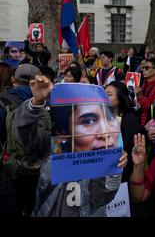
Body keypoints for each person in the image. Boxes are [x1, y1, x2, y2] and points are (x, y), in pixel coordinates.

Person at [13, 79, 127, 216]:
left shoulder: (101, 155)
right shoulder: (53, 145)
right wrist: (35, 103)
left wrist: (112, 168)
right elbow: (23, 136)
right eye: (88, 121)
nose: (100, 130)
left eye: (104, 120)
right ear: (65, 127)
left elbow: (101, 198)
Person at [0, 64, 40, 216]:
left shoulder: (2, 103)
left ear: (13, 80)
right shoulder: (46, 104)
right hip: (39, 169)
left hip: (11, 168)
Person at [106, 81, 145, 182]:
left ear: (120, 97)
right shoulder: (98, 118)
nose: (105, 98)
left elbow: (134, 149)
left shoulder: (131, 119)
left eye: (109, 95)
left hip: (125, 173)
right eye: (103, 94)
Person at [136, 59, 155, 126]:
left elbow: (152, 110)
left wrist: (139, 96)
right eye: (143, 68)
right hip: (141, 120)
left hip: (150, 124)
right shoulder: (144, 83)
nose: (143, 70)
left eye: (147, 68)